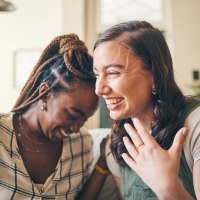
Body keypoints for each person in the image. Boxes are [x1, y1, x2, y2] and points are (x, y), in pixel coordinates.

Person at [93, 20, 200, 199]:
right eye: (97, 75)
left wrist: (169, 188)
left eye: (112, 73)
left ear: (155, 76)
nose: (99, 89)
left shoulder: (195, 124)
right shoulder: (117, 141)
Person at [0, 34, 110, 199]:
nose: (75, 128)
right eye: (72, 115)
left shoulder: (82, 143)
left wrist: (103, 161)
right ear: (45, 93)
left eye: (84, 120)